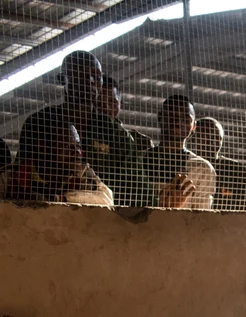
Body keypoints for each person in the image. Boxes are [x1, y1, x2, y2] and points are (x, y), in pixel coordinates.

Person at [21, 51, 191, 208]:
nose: (90, 82)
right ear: (62, 78)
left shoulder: (115, 133)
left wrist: (161, 204)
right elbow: (21, 177)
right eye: (80, 74)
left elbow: (139, 191)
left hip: (104, 222)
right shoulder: (40, 122)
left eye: (96, 76)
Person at [3, 114, 111, 205]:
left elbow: (107, 199)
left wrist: (61, 200)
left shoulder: (82, 173)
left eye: (78, 146)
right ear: (43, 147)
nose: (78, 152)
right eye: (68, 146)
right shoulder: (12, 176)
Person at [143, 95, 216, 210]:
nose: (178, 122)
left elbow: (202, 217)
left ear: (193, 126)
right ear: (160, 117)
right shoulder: (140, 160)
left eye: (186, 119)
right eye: (171, 116)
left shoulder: (202, 168)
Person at [189, 117, 246, 211]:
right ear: (194, 138)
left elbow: (244, 203)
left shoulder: (235, 169)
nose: (213, 142)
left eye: (217, 138)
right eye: (208, 136)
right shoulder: (189, 166)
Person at [97, 75, 153, 152]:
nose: (106, 107)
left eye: (112, 102)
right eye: (99, 102)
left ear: (121, 104)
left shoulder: (131, 139)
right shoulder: (81, 132)